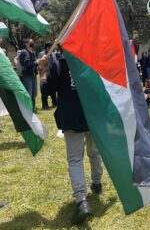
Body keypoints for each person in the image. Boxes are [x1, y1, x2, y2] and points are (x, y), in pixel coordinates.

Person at [38, 50, 103, 224]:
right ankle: (97, 183)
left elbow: (46, 89)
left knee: (75, 160)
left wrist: (43, 70)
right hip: (92, 116)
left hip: (73, 118)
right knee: (94, 153)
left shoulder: (60, 64)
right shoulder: (91, 61)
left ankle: (82, 200)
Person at [19, 38, 38, 111]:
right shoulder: (24, 52)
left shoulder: (32, 51)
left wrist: (38, 63)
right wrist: (36, 63)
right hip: (27, 76)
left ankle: (33, 108)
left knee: (34, 93)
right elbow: (25, 64)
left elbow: (34, 63)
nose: (32, 43)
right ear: (26, 43)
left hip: (33, 75)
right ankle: (27, 109)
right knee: (29, 93)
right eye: (31, 41)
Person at [38, 43, 57, 110]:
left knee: (53, 88)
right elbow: (40, 64)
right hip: (44, 74)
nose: (52, 48)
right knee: (44, 89)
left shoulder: (54, 53)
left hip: (52, 74)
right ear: (47, 48)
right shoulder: (41, 54)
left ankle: (54, 102)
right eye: (50, 47)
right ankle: (45, 105)